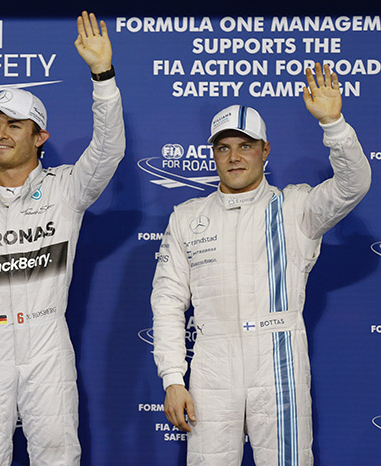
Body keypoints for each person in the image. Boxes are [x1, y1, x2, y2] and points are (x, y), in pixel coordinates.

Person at [0, 11, 124, 466]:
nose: (0, 134)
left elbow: (109, 149)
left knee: (57, 457)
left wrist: (102, 75)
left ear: (39, 136)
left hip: (45, 340)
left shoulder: (66, 189)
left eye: (14, 125)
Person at [151, 62, 371, 465]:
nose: (234, 157)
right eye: (224, 147)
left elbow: (353, 184)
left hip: (278, 361)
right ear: (213, 154)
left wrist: (334, 124)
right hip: (212, 365)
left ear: (265, 150)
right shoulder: (186, 216)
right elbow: (166, 302)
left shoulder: (295, 207)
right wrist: (172, 379)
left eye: (246, 146)